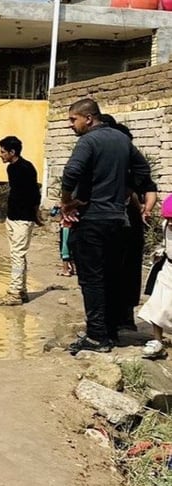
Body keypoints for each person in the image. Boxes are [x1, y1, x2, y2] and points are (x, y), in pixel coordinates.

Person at [60, 98, 154, 355]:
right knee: (111, 276)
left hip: (93, 220)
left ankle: (96, 336)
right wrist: (125, 191)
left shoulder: (88, 141)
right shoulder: (122, 139)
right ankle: (109, 331)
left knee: (92, 279)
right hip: (118, 221)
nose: (70, 125)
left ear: (89, 118)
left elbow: (71, 172)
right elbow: (143, 170)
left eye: (73, 119)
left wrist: (66, 202)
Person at [100, 115, 159, 332]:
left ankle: (121, 318)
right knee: (116, 270)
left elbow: (148, 188)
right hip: (115, 222)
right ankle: (112, 318)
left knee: (125, 269)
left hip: (125, 224)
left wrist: (146, 208)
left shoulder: (128, 164)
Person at [0, 135, 43, 306]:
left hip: (23, 219)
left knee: (17, 255)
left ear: (12, 152)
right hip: (14, 217)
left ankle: (15, 293)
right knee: (18, 255)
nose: (0, 155)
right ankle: (21, 290)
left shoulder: (24, 168)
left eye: (3, 152)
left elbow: (34, 194)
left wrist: (35, 215)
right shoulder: (13, 168)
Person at [136, 196, 172, 359]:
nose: (170, 223)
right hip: (167, 269)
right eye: (168, 219)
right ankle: (157, 340)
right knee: (157, 303)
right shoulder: (166, 226)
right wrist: (160, 252)